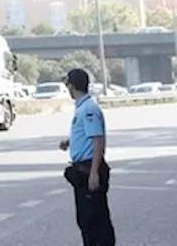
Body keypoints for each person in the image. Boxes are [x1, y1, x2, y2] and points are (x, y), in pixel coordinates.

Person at [59, 67, 116, 246]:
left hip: (89, 168)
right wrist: (70, 141)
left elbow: (98, 140)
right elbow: (89, 134)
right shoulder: (83, 107)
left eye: (67, 84)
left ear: (72, 87)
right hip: (84, 168)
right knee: (86, 220)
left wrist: (94, 173)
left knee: (95, 221)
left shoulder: (88, 109)